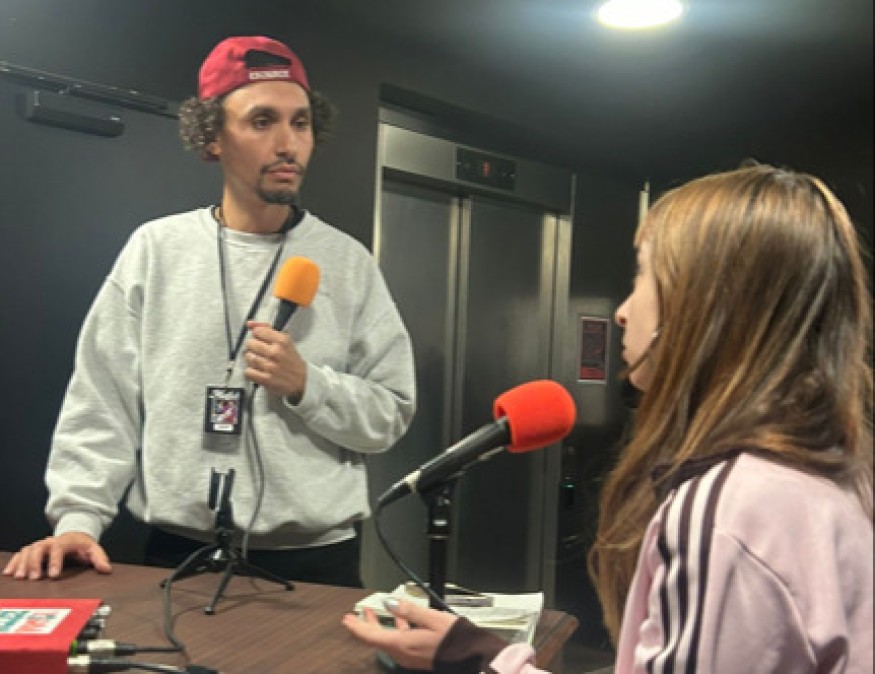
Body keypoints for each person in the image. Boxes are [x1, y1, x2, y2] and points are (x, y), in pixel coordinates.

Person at [343, 163, 874, 672]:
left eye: (643, 275)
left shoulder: (728, 512)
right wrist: (479, 655)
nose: (622, 311)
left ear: (706, 305)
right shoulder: (828, 482)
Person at [3, 35, 415, 588]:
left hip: (317, 562)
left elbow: (390, 412)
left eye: (300, 123)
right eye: (262, 121)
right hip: (179, 552)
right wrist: (78, 519)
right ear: (211, 138)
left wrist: (308, 385)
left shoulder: (348, 262)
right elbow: (102, 399)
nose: (288, 143)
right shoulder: (157, 249)